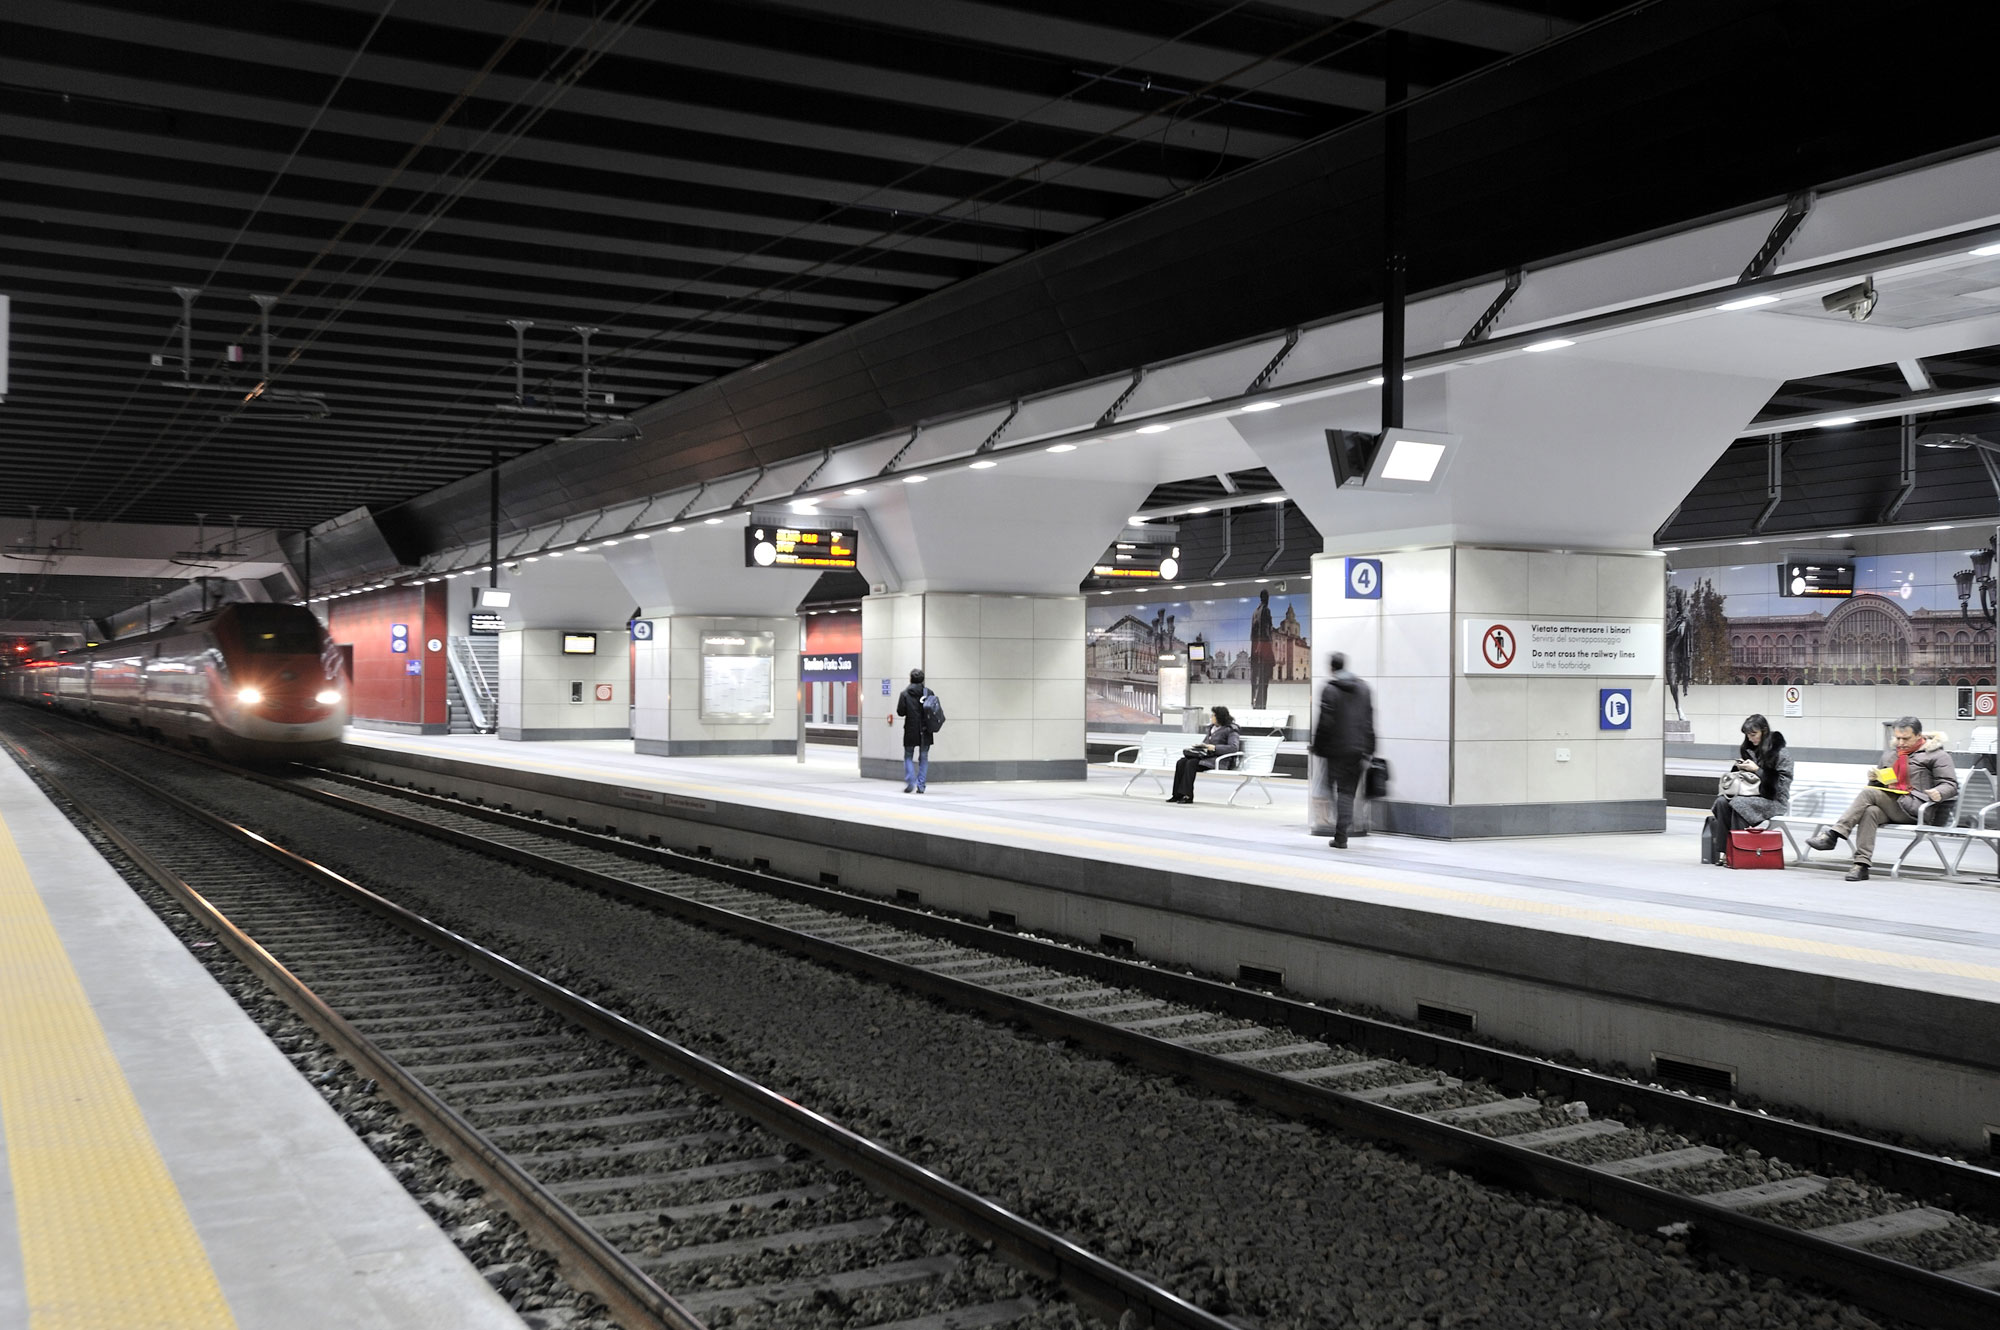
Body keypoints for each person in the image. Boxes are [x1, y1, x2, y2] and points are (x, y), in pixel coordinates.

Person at [1805, 716, 1958, 881]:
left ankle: (1833, 835)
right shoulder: (1890, 755)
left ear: (1919, 735)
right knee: (1870, 811)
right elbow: (1878, 787)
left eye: (1905, 738)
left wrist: (1939, 792)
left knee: (1868, 794)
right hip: (1894, 804)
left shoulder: (1936, 755)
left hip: (1917, 808)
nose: (1900, 743)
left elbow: (1950, 784)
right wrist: (1874, 778)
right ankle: (1861, 865)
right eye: (1897, 738)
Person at [1706, 714, 1792, 865]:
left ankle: (1738, 851)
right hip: (1751, 795)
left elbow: (1781, 787)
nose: (1751, 739)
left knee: (1739, 804)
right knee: (1722, 802)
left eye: (1754, 734)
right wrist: (1740, 768)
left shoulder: (1780, 753)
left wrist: (1757, 770)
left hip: (1774, 800)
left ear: (1764, 731)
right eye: (1748, 735)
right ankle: (1725, 851)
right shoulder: (1749, 750)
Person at [1311, 652, 1375, 849]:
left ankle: (1338, 830)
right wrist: (1370, 748)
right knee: (1347, 792)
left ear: (1331, 668)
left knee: (1332, 789)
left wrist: (1318, 748)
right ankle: (1341, 834)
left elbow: (1325, 721)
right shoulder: (1364, 688)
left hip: (1336, 750)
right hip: (1358, 749)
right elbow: (1369, 719)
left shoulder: (1330, 689)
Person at [1168, 706, 1240, 804]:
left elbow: (1233, 747)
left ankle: (1187, 795)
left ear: (1220, 717)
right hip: (1207, 757)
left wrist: (1214, 747)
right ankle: (1177, 795)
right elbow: (1206, 743)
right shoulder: (1212, 728)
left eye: (1213, 715)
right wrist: (1201, 747)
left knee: (1191, 763)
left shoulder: (1230, 730)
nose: (1211, 717)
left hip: (1220, 760)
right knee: (1181, 762)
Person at [888, 667, 938, 793]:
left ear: (910, 679)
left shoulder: (904, 694)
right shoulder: (929, 693)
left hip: (910, 729)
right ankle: (921, 786)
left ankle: (911, 781)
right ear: (922, 680)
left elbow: (900, 712)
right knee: (924, 757)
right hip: (926, 730)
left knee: (908, 756)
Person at [1248, 589, 1275, 711]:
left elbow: (1252, 633)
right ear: (1266, 598)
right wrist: (1265, 647)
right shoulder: (1266, 610)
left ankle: (1255, 703)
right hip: (1263, 648)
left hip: (1255, 648)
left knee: (1255, 678)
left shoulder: (1255, 612)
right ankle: (1261, 706)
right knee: (1264, 681)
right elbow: (1265, 631)